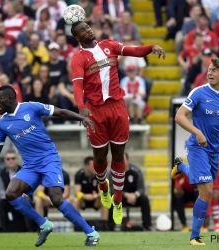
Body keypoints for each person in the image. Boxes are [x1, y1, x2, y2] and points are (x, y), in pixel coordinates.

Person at [0, 85, 100, 247]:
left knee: (56, 197)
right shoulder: (2, 123)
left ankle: (91, 233)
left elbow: (60, 112)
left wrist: (82, 118)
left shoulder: (31, 107)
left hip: (49, 160)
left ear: (10, 99)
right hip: (30, 166)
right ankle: (44, 224)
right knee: (11, 193)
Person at [70, 21, 166, 225]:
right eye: (83, 30)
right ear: (77, 37)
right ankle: (103, 187)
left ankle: (118, 200)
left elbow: (133, 50)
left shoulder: (109, 45)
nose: (88, 29)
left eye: (88, 26)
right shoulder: (78, 58)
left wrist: (150, 48)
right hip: (95, 110)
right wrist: (81, 106)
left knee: (119, 153)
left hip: (117, 106)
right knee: (100, 156)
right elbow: (78, 86)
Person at [171, 58, 219, 245]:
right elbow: (179, 116)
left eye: (214, 70)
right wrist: (197, 132)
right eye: (209, 69)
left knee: (206, 188)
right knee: (207, 191)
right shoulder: (199, 93)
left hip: (213, 152)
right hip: (197, 147)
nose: (209, 73)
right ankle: (194, 237)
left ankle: (181, 167)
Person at [108, 152, 152, 230]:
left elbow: (141, 188)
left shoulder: (136, 171)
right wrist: (126, 195)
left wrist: (135, 195)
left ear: (128, 161)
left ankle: (147, 225)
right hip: (121, 197)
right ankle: (111, 226)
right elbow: (112, 189)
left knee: (144, 199)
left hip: (135, 197)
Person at [0, 150, 29, 232]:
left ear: (16, 159)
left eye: (13, 158)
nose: (11, 161)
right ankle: (2, 229)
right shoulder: (1, 173)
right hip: (8, 200)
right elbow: (0, 190)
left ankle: (29, 228)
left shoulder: (24, 171)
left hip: (21, 198)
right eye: (8, 159)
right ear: (5, 160)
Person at [74, 156, 108, 220]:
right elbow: (77, 193)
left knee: (105, 200)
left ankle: (104, 224)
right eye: (92, 166)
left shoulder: (99, 175)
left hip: (96, 200)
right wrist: (85, 196)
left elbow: (102, 192)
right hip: (83, 200)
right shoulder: (79, 175)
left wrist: (97, 195)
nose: (94, 168)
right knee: (76, 200)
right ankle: (76, 224)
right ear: (86, 166)